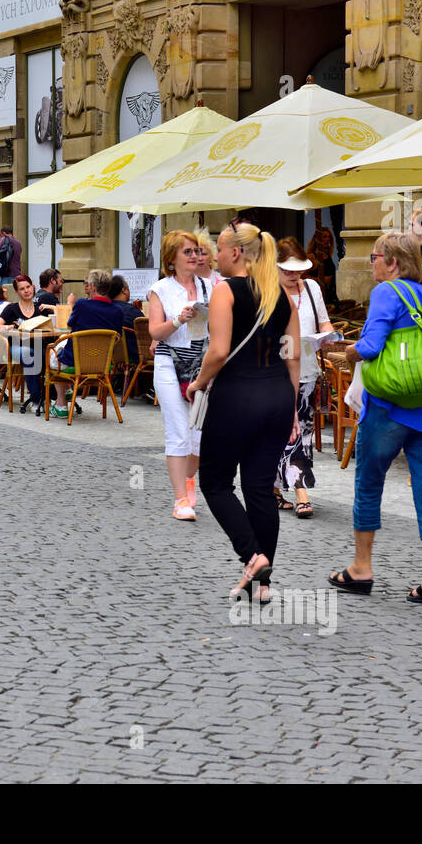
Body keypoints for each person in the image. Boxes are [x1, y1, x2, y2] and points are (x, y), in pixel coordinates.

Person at [330, 231, 422, 608]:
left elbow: (371, 346)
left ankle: (361, 568)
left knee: (369, 482)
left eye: (374, 256)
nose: (371, 263)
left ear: (393, 262)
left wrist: (345, 353)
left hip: (390, 408)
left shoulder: (387, 292)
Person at [188, 223, 298, 602]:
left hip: (237, 397)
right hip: (278, 398)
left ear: (236, 253)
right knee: (259, 489)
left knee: (215, 482)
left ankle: (252, 556)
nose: (212, 257)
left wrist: (198, 383)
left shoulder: (225, 291)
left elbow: (218, 352)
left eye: (218, 249)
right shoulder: (281, 294)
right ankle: (262, 584)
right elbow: (294, 355)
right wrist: (294, 409)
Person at [147, 230, 211, 520]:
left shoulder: (211, 286)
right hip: (169, 361)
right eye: (188, 252)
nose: (195, 256)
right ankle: (180, 501)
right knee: (177, 431)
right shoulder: (160, 289)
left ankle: (189, 478)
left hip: (203, 363)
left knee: (199, 433)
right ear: (172, 258)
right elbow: (155, 332)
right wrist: (178, 319)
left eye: (197, 251)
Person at [274, 238, 333, 517]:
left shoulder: (312, 288)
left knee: (303, 431)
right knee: (288, 430)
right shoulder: (268, 293)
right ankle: (300, 492)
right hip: (275, 373)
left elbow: (323, 320)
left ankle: (273, 489)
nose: (294, 275)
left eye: (298, 269)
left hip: (308, 370)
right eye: (288, 269)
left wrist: (327, 336)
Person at [49, 269, 123, 419]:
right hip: (102, 364)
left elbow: (70, 326)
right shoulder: (118, 311)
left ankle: (61, 403)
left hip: (75, 361)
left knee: (52, 353)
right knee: (59, 352)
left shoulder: (82, 304)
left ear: (94, 287)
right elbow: (117, 337)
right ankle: (67, 392)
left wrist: (71, 304)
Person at [0, 274, 56, 407]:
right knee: (29, 355)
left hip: (40, 345)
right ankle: (36, 400)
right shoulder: (12, 308)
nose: (26, 291)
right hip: (18, 347)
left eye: (28, 287)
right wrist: (12, 326)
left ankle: (52, 396)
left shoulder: (41, 308)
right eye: (22, 289)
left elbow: (62, 322)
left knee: (54, 356)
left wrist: (53, 308)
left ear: (33, 287)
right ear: (16, 291)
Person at [108, 274, 143, 365]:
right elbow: (147, 333)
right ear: (124, 290)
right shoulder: (131, 311)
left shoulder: (104, 309)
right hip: (135, 358)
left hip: (110, 358)